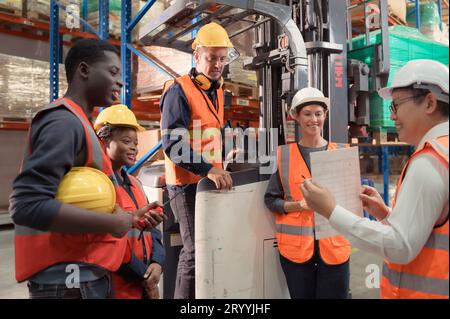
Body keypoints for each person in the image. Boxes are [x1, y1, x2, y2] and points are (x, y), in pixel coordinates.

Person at [9, 38, 158, 299]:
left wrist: (128, 218)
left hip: (84, 276)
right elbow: (26, 205)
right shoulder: (63, 122)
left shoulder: (81, 124)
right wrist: (112, 222)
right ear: (84, 70)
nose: (120, 82)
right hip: (66, 282)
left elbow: (82, 200)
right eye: (113, 72)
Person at [301, 59, 449, 299]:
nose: (392, 116)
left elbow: (400, 247)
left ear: (430, 103)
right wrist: (386, 215)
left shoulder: (430, 161)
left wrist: (331, 211)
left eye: (396, 106)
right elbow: (427, 231)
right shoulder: (444, 152)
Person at [160, 22, 237, 299]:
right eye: (211, 58)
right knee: (194, 252)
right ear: (196, 56)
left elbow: (208, 131)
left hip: (206, 180)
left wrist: (223, 156)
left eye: (221, 58)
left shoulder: (216, 90)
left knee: (208, 248)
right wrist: (208, 168)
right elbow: (173, 144)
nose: (217, 64)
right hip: (185, 185)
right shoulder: (178, 91)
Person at [264, 87, 351, 299]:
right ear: (296, 116)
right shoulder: (284, 155)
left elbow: (351, 200)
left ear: (325, 115)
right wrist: (297, 205)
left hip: (334, 248)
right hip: (296, 252)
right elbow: (270, 200)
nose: (314, 119)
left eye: (318, 113)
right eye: (307, 114)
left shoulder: (341, 152)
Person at [94, 104, 166, 299]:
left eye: (136, 141)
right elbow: (106, 243)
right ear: (104, 141)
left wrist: (157, 263)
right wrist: (144, 277)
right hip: (117, 288)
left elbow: (154, 232)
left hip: (142, 285)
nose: (134, 147)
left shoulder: (136, 183)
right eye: (127, 141)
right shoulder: (98, 187)